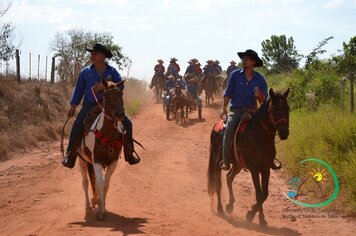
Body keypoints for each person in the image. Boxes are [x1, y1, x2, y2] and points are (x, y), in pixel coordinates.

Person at [62, 43, 140, 169]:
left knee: (128, 124)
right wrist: (73, 105)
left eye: (95, 54)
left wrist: (106, 85)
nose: (92, 56)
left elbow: (120, 86)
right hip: (90, 105)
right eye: (91, 54)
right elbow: (79, 90)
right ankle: (70, 155)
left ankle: (129, 153)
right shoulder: (85, 72)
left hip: (109, 106)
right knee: (77, 124)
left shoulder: (112, 71)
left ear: (103, 56)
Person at [219, 49, 267, 170]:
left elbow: (264, 100)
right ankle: (225, 159)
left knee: (266, 130)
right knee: (229, 130)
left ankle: (268, 158)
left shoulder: (260, 79)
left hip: (252, 111)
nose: (244, 61)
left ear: (253, 62)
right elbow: (228, 93)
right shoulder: (235, 75)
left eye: (247, 59)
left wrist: (259, 95)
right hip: (236, 110)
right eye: (243, 59)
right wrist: (223, 108)